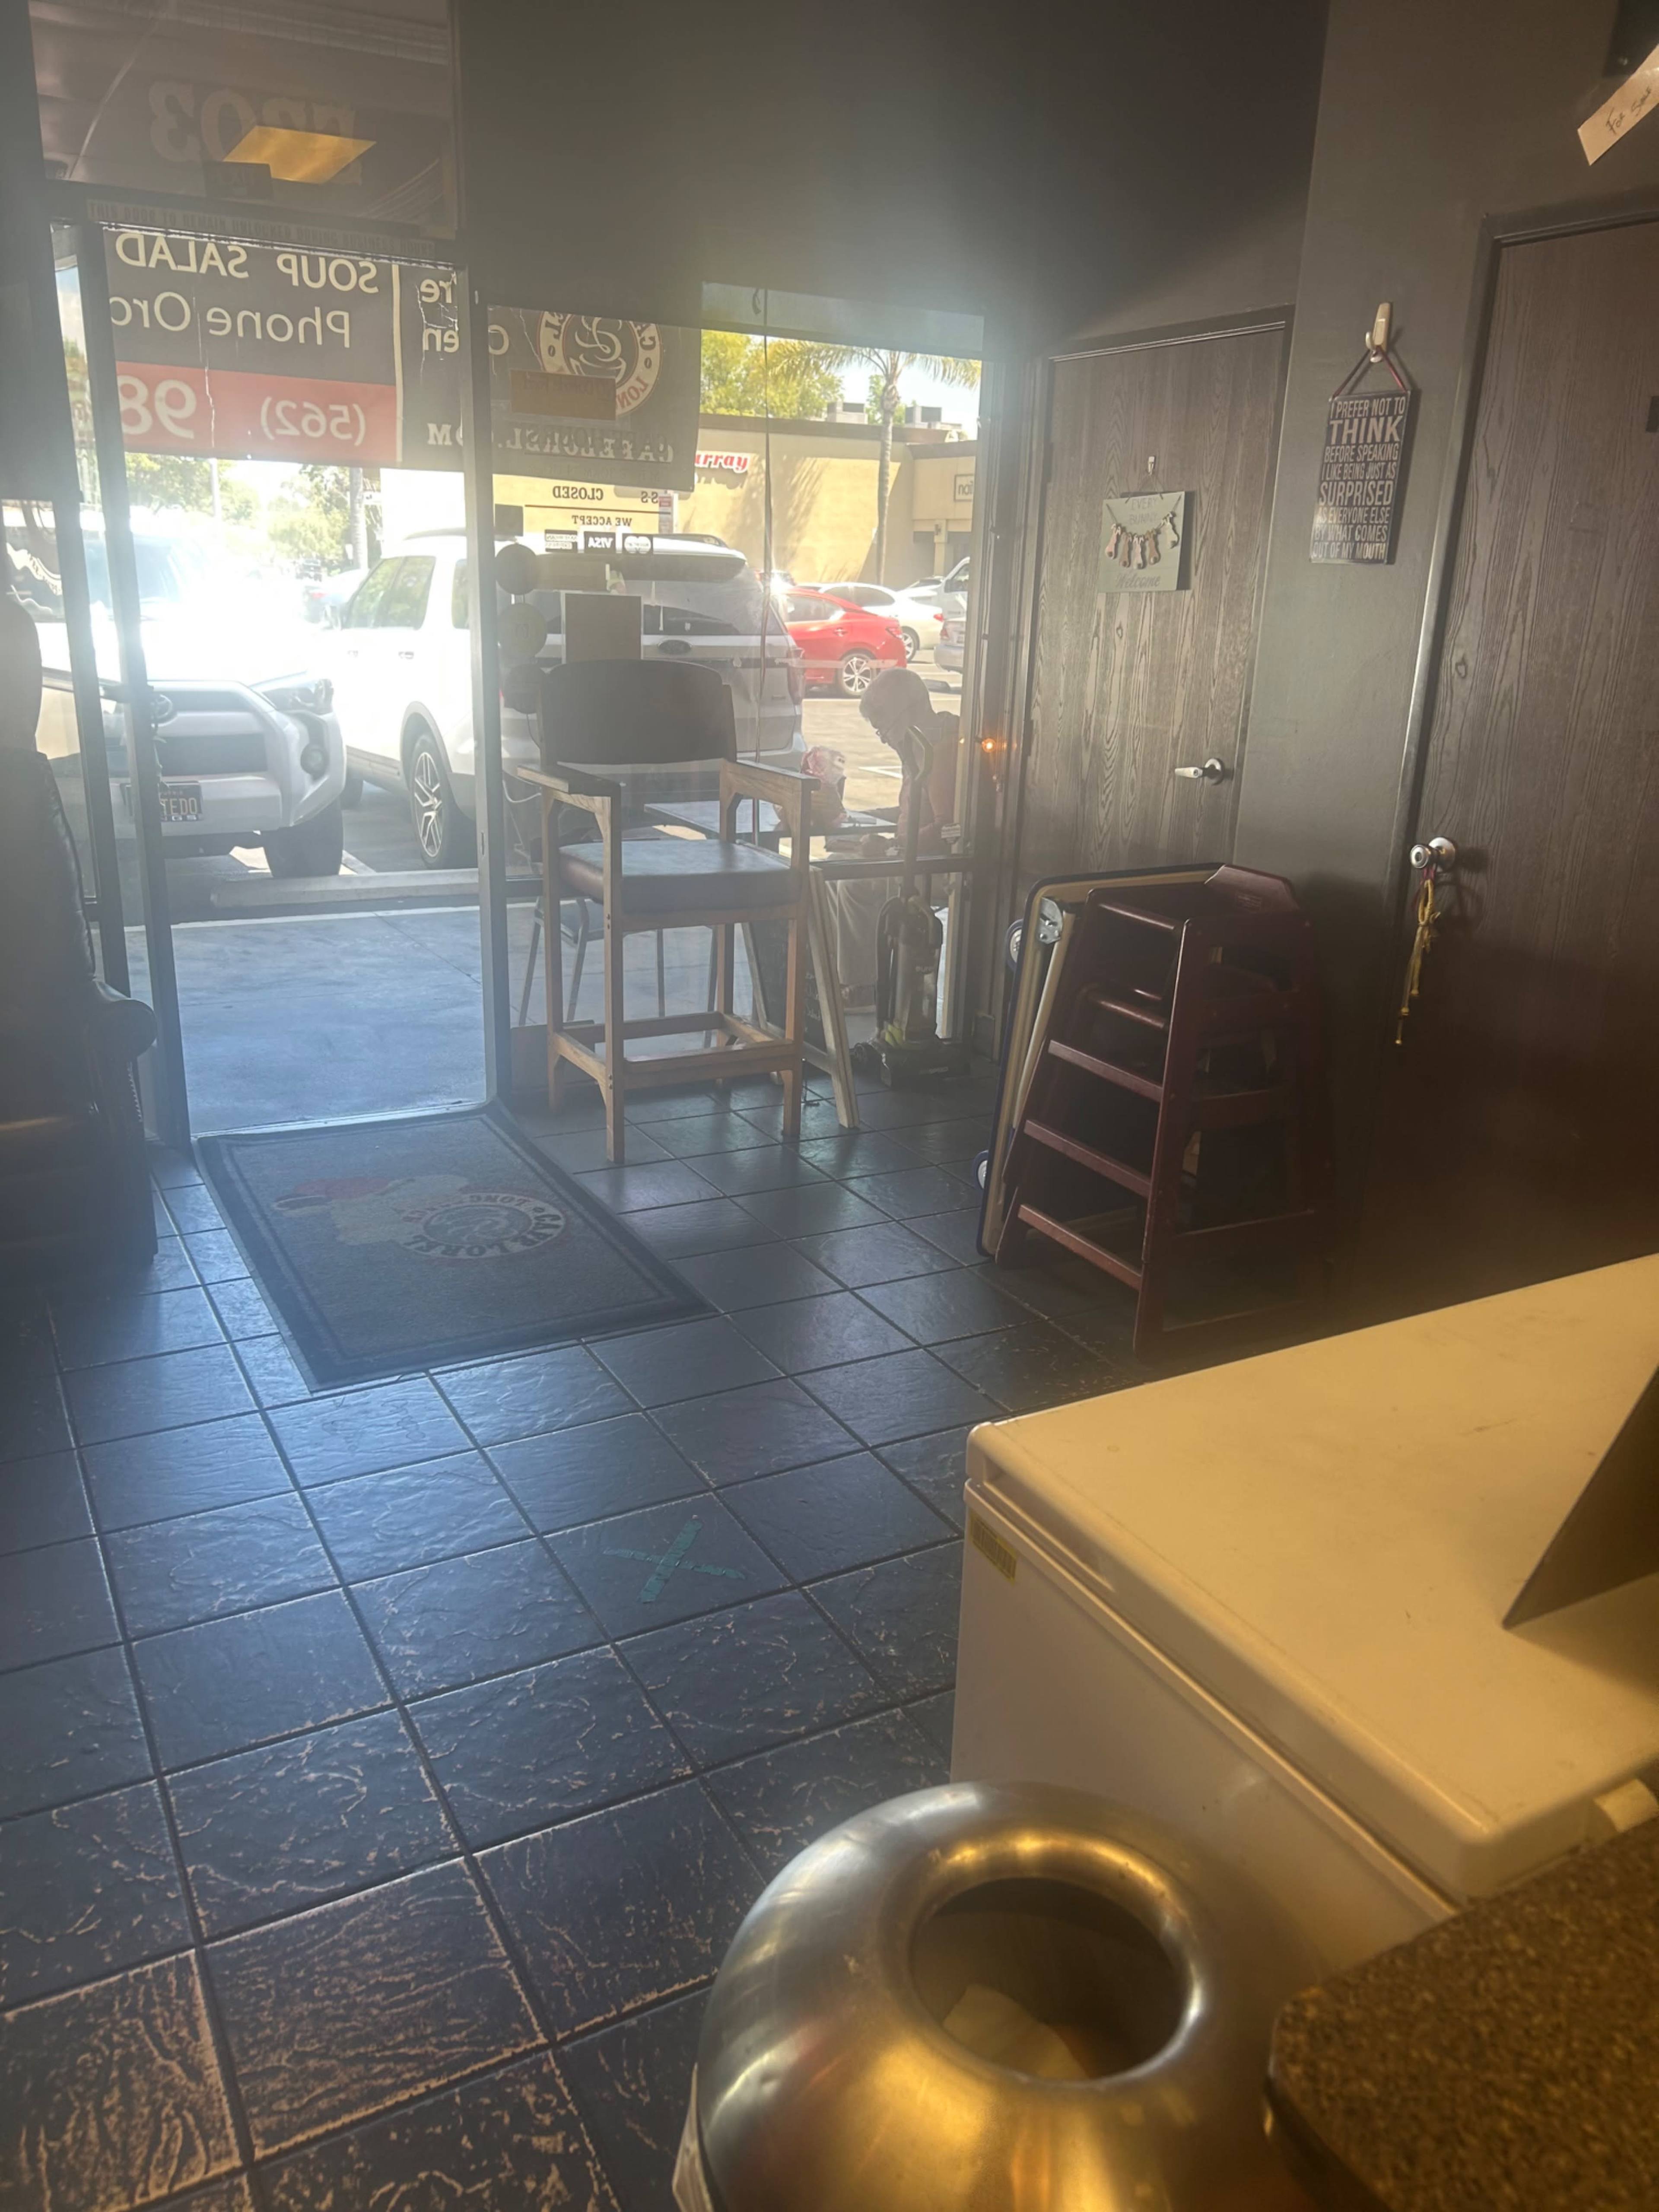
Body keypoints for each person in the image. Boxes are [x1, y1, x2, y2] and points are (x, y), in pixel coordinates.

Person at [821, 666, 959, 1008]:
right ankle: (843, 975)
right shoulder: (918, 745)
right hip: (910, 853)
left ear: (910, 710)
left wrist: (892, 845)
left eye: (884, 724)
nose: (882, 736)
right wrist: (863, 819)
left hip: (935, 866)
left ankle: (863, 985)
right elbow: (913, 811)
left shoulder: (939, 750)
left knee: (850, 882)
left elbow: (948, 827)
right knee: (827, 872)